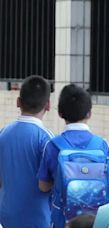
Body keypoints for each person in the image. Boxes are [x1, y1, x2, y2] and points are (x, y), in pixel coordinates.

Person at [37, 84, 109, 228]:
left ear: (60, 113)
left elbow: (43, 186)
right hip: (97, 222)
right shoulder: (102, 145)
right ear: (89, 113)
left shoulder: (53, 146)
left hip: (63, 221)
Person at [0, 75, 53, 227]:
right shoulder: (47, 139)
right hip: (39, 219)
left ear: (18, 102)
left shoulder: (2, 133)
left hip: (6, 217)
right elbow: (53, 182)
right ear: (48, 105)